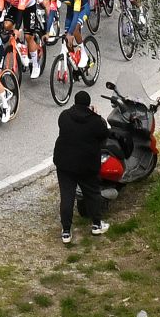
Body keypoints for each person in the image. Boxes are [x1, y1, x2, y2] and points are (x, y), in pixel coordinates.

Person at [52, 87, 111, 243]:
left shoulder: (64, 116)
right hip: (87, 165)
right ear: (88, 105)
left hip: (65, 164)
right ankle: (96, 225)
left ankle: (66, 231)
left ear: (75, 102)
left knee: (67, 196)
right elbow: (104, 133)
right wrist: (96, 115)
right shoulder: (94, 121)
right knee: (92, 193)